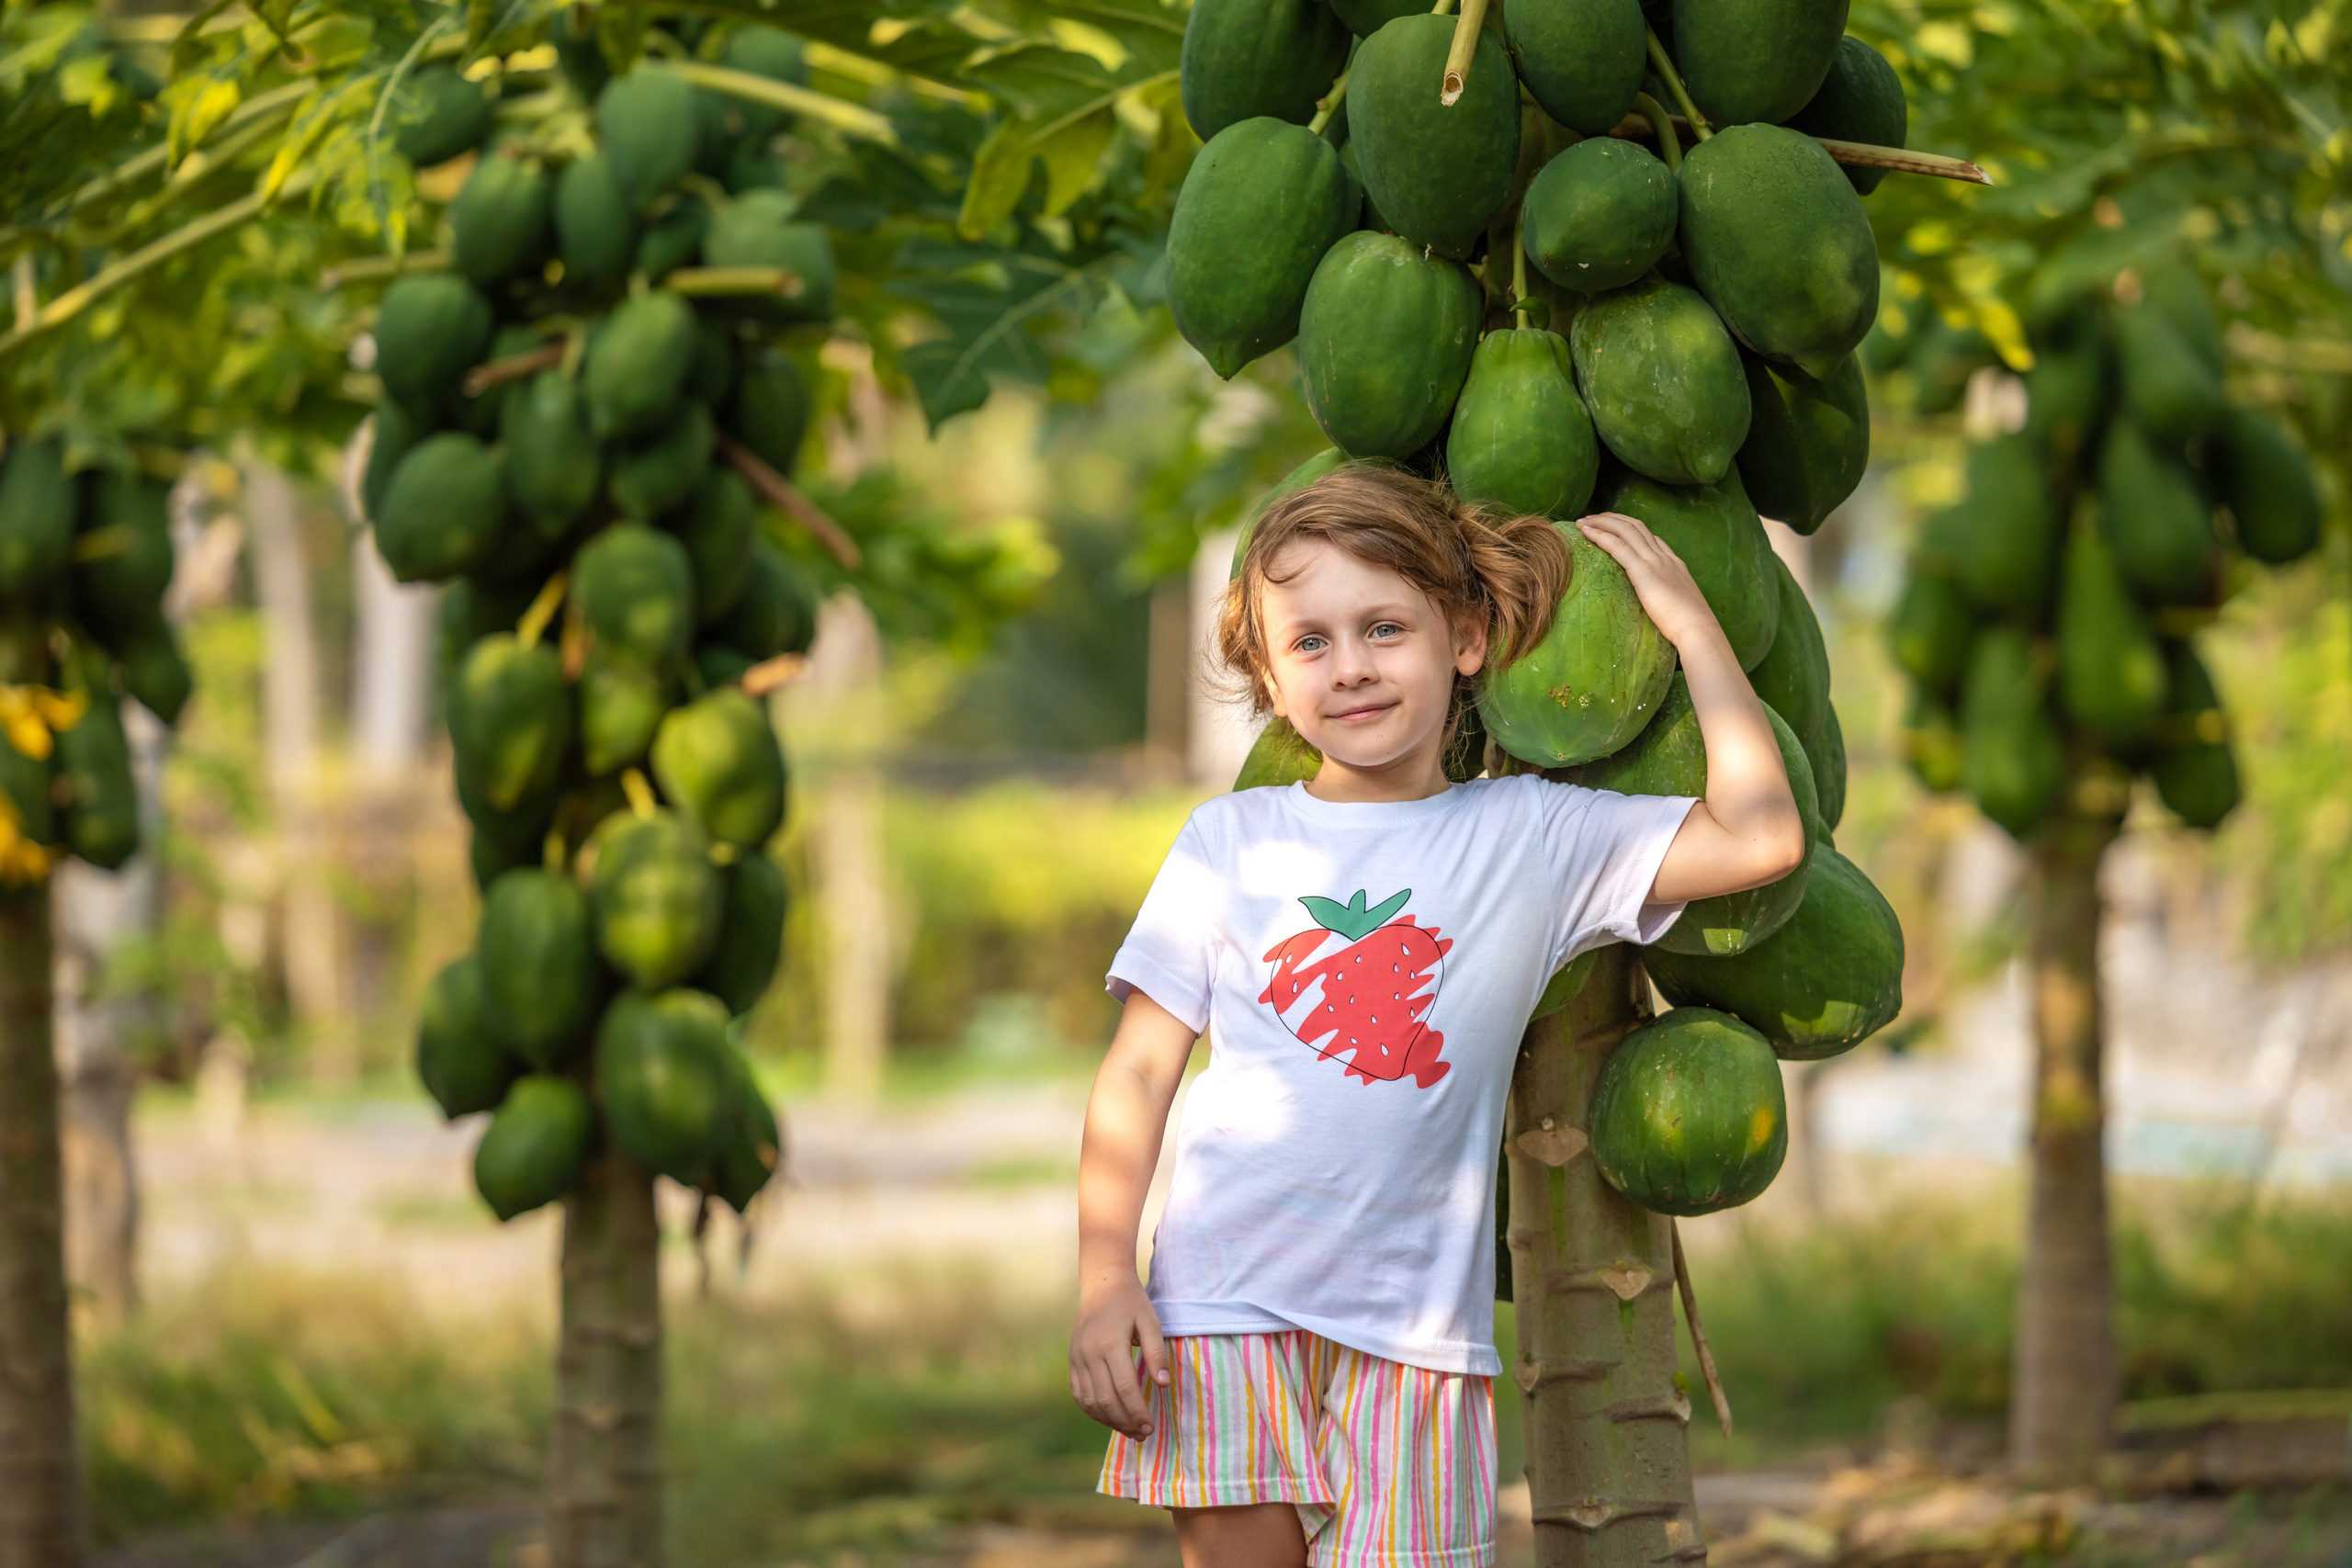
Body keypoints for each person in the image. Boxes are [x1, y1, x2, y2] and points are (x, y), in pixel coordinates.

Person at [1070, 462, 1804, 1568]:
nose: (1351, 668)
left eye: (1383, 628)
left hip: (1418, 1339)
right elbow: (1137, 1073)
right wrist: (1103, 1278)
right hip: (1220, 1309)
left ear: (1462, 637)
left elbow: (1759, 837)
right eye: (1309, 644)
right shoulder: (1229, 840)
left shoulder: (1533, 837)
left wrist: (1690, 626)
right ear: (1269, 680)